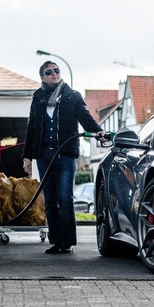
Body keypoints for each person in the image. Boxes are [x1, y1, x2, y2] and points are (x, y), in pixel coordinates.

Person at [22, 61, 107, 254]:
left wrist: (99, 131)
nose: (54, 74)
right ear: (42, 77)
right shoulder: (38, 98)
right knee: (51, 200)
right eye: (48, 72)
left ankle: (67, 242)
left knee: (65, 198)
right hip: (44, 155)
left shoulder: (71, 96)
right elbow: (31, 128)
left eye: (56, 70)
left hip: (65, 155)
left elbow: (85, 118)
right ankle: (56, 240)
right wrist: (27, 156)